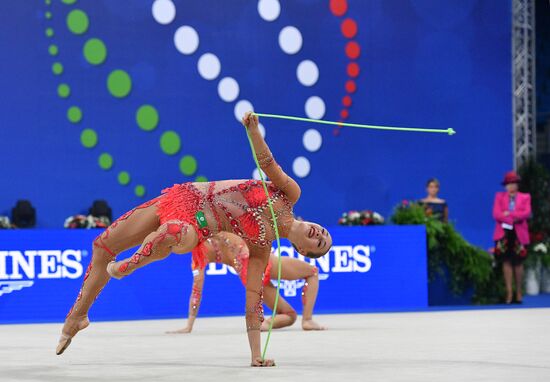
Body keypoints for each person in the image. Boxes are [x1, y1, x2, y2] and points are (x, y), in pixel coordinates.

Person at [55, 112, 332, 367]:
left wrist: (256, 355)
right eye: (323, 232)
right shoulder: (289, 194)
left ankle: (131, 265)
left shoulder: (260, 249)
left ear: (302, 250)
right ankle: (78, 316)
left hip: (194, 228)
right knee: (102, 246)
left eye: (320, 243)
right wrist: (253, 131)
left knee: (172, 232)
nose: (319, 234)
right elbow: (267, 164)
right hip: (183, 197)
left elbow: (253, 302)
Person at [167, 232, 325, 335]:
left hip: (249, 277)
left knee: (289, 316)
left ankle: (264, 324)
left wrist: (189, 324)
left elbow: (197, 291)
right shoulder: (211, 229)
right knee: (312, 272)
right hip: (260, 261)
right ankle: (307, 319)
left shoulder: (197, 258)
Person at [492, 171, 531, 304]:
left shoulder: (525, 197)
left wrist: (509, 213)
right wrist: (512, 217)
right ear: (505, 186)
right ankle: (509, 292)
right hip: (503, 233)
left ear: (517, 184)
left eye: (513, 183)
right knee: (506, 261)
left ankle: (519, 292)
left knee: (518, 262)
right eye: (508, 184)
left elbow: (526, 213)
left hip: (519, 234)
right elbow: (496, 214)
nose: (511, 186)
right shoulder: (499, 197)